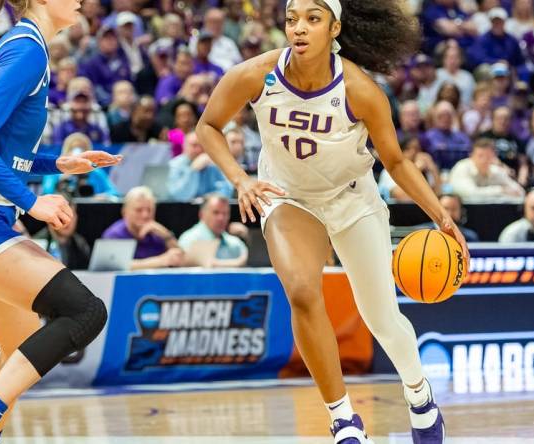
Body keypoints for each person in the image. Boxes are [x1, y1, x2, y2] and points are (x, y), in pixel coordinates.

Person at [195, 0, 470, 442]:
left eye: (312, 19)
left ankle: (419, 394)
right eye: (291, 19)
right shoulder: (257, 73)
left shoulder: (360, 91)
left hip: (353, 200)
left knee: (381, 317)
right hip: (288, 198)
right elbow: (208, 125)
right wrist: (240, 178)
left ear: (334, 27)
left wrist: (441, 216)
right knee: (303, 290)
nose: (299, 28)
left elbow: (396, 163)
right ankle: (343, 418)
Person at [0, 1, 122, 443]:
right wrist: (30, 203)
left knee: (19, 345)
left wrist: (58, 163)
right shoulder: (27, 50)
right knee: (85, 311)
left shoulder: (26, 47)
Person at [101, 186, 184, 270]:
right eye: (139, 210)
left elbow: (182, 260)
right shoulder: (114, 234)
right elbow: (114, 265)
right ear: (125, 212)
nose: (145, 215)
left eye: (149, 210)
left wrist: (167, 236)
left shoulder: (158, 233)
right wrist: (161, 261)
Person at [178, 193, 248, 267]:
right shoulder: (189, 240)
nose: (221, 218)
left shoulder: (235, 244)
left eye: (225, 213)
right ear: (202, 215)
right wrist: (238, 263)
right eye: (216, 212)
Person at [449, 138, 525, 203]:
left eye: (488, 156)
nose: (484, 160)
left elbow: (520, 191)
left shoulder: (496, 171)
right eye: (480, 156)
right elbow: (471, 193)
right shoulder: (462, 168)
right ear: (471, 155)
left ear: (494, 157)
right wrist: (501, 190)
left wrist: (510, 191)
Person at [33, 192, 91, 270]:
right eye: (62, 215)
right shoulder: (38, 243)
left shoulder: (80, 243)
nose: (67, 220)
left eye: (71, 215)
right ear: (49, 217)